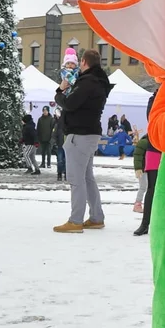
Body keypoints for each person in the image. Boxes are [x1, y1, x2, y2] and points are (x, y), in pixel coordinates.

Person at [52, 49, 113, 233]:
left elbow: (69, 103)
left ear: (85, 62)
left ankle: (75, 220)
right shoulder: (100, 82)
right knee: (87, 178)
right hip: (91, 133)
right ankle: (96, 217)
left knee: (76, 179)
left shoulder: (87, 82)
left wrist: (60, 91)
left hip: (79, 135)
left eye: (80, 62)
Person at [133, 89, 160, 237]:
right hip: (156, 147)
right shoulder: (155, 98)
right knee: (152, 188)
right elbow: (152, 118)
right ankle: (145, 224)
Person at [52, 109, 66, 182]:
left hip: (67, 146)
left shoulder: (68, 125)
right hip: (60, 145)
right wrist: (55, 143)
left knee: (66, 160)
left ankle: (66, 174)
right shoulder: (58, 125)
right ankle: (59, 174)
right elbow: (54, 135)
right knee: (60, 160)